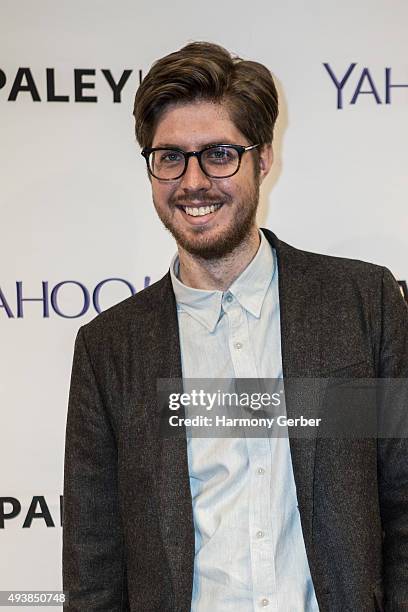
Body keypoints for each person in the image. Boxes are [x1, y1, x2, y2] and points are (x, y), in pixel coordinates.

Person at [63, 42, 408, 611]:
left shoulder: (360, 304)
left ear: (263, 158)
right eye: (170, 157)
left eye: (219, 153)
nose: (193, 181)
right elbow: (94, 563)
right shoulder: (110, 349)